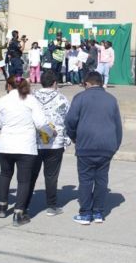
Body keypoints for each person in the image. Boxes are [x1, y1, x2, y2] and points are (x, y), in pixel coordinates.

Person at [65, 71, 122, 225]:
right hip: (106, 146)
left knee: (85, 180)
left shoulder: (80, 98)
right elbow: (118, 126)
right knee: (101, 180)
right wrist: (115, 146)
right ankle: (98, 212)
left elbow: (70, 121)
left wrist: (74, 137)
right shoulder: (111, 100)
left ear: (87, 83)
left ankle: (85, 213)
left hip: (86, 145)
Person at [0, 77, 49, 226]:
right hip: (25, 146)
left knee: (5, 174)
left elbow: (0, 123)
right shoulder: (31, 100)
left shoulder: (3, 100)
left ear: (8, 85)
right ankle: (18, 213)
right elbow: (40, 123)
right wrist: (51, 133)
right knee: (24, 180)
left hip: (6, 144)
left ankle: (2, 206)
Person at [32, 70, 70, 216]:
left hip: (34, 142)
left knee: (30, 175)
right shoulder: (62, 99)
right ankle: (51, 206)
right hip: (55, 143)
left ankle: (24, 204)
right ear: (55, 83)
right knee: (51, 175)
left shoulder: (32, 97)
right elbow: (69, 119)